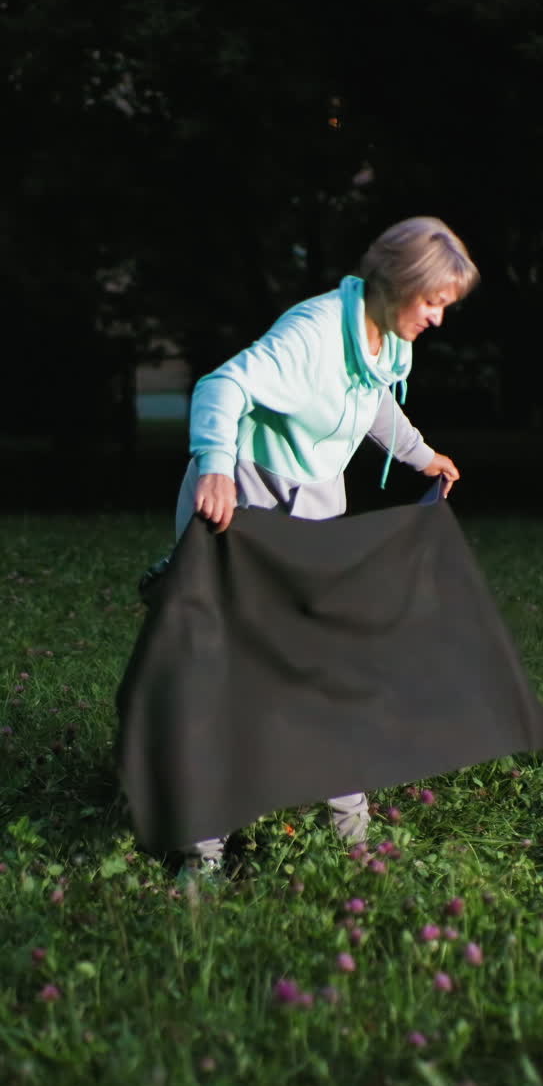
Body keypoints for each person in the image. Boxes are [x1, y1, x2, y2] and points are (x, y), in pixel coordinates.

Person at [173, 215, 480, 875]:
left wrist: (421, 454)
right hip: (243, 499)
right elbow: (220, 386)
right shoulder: (313, 330)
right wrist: (216, 466)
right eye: (433, 303)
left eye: (445, 307)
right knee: (227, 672)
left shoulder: (388, 339)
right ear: (399, 284)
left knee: (322, 657)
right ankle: (201, 854)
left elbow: (370, 401)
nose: (437, 319)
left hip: (311, 499)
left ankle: (352, 834)